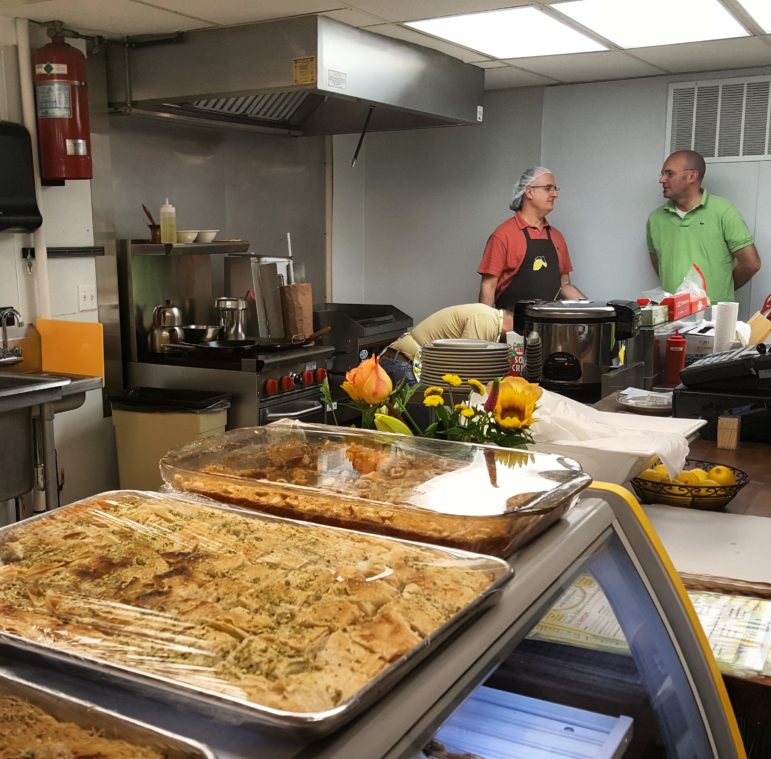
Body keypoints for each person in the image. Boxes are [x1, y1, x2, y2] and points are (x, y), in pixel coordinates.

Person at [647, 149, 761, 304]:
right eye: (662, 174)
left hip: (713, 319)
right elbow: (660, 266)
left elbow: (751, 264)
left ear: (692, 176)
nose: (662, 180)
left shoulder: (723, 211)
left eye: (669, 173)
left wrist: (723, 287)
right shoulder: (656, 219)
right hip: (669, 318)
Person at [478, 166, 584, 310]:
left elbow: (564, 285)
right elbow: (488, 287)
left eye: (555, 189)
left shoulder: (557, 237)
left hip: (548, 326)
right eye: (548, 188)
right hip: (511, 327)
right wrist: (487, 328)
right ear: (529, 191)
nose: (554, 194)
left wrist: (591, 309)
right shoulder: (503, 235)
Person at [380, 304, 513, 384]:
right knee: (428, 428)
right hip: (403, 365)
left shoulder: (489, 317)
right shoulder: (488, 320)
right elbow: (467, 369)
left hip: (403, 362)